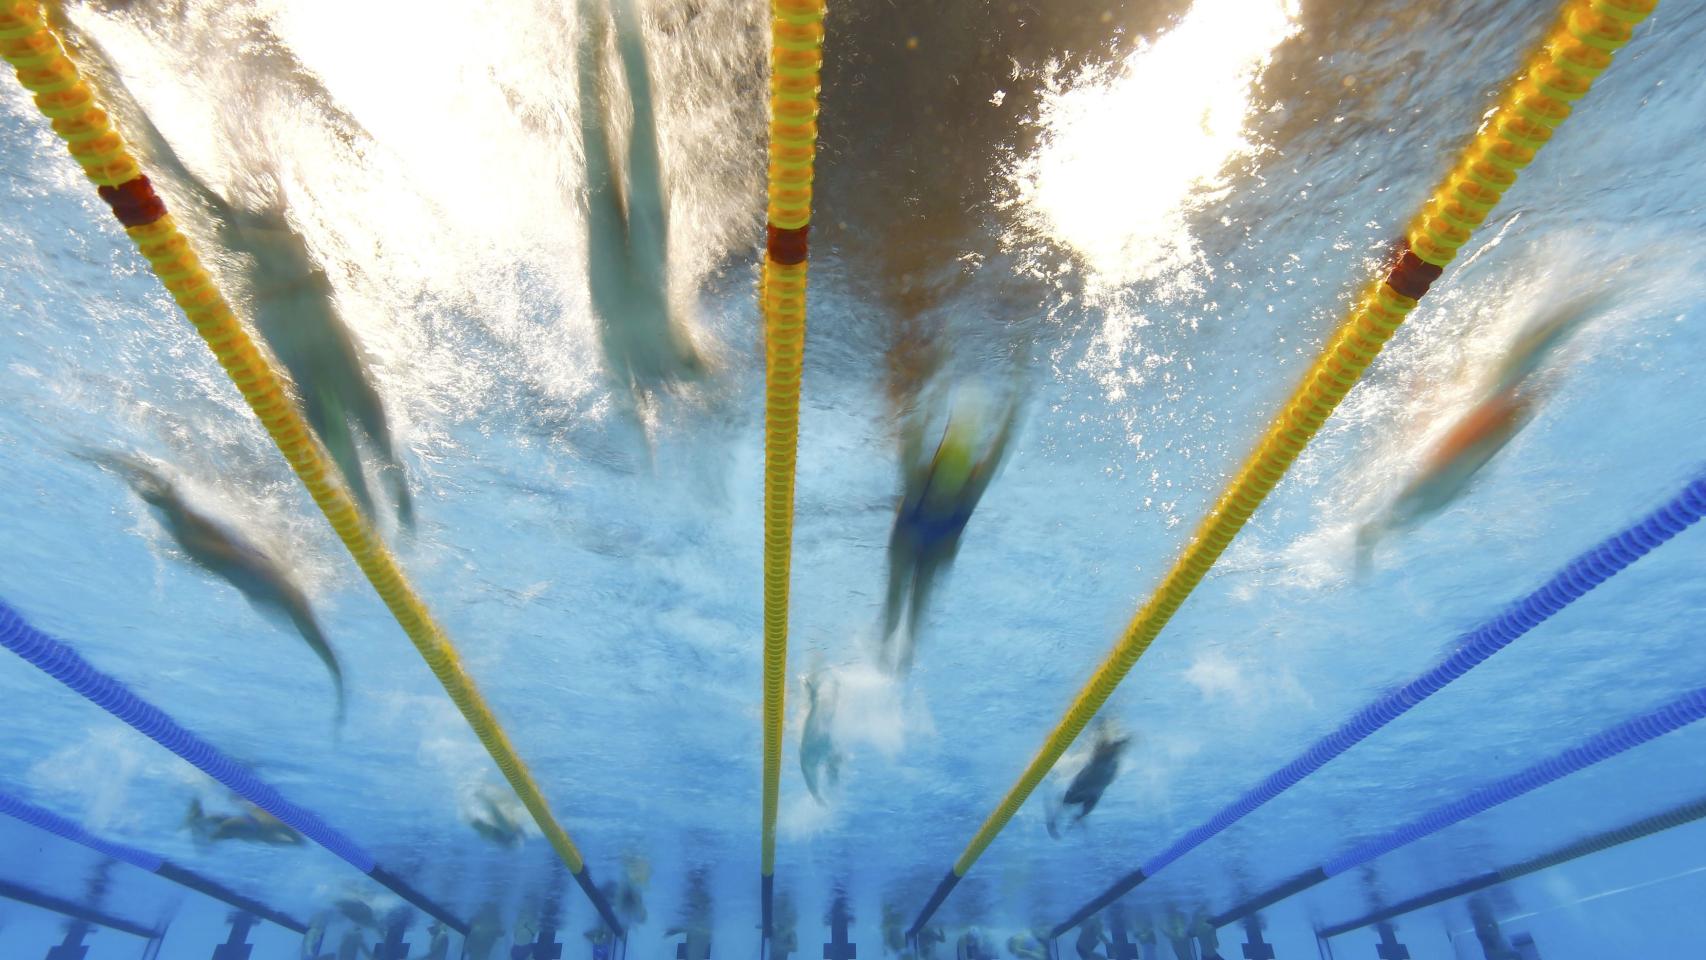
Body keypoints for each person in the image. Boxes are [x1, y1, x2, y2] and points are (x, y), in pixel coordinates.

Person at [1357, 293, 1608, 569]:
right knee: (1511, 385)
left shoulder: (1416, 502)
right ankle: (1575, 311)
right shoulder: (1416, 503)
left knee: (1508, 385)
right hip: (1452, 461)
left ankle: (1576, 309)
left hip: (1451, 459)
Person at [94, 454, 346, 723]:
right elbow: (318, 642)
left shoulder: (284, 593)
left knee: (177, 511)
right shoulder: (286, 597)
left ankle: (109, 460)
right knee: (177, 513)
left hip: (238, 563)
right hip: (236, 564)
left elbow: (319, 642)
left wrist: (337, 680)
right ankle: (111, 461)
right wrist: (337, 681)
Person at [576, 0, 706, 406]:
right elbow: (721, 388)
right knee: (636, 119)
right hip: (634, 264)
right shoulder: (672, 364)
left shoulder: (621, 375)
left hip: (612, 274)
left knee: (594, 130)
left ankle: (588, 15)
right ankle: (623, 13)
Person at [882, 390, 1020, 674]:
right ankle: (885, 647)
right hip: (908, 543)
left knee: (918, 603)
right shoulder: (919, 481)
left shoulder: (971, 488)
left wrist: (1015, 404)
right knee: (896, 598)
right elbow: (911, 440)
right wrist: (924, 394)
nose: (944, 494)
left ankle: (902, 653)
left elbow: (999, 450)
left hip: (932, 549)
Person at [1047, 721, 1132, 838]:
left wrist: (1055, 822)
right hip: (1092, 783)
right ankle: (1104, 726)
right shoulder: (1105, 762)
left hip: (1094, 783)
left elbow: (1063, 805)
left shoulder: (1109, 762)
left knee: (1108, 744)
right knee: (1109, 744)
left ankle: (1103, 725)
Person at [800, 669, 844, 803]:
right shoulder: (829, 751)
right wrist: (816, 795)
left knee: (822, 715)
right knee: (826, 717)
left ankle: (817, 694)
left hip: (810, 747)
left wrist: (816, 795)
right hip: (813, 746)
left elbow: (808, 776)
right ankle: (828, 691)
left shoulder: (819, 757)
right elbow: (809, 777)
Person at [185, 797, 301, 846]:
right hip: (255, 825)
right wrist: (297, 841)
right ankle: (197, 818)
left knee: (221, 829)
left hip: (254, 824)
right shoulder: (269, 827)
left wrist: (296, 842)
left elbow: (285, 837)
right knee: (222, 829)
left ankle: (197, 818)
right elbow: (287, 835)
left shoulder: (268, 828)